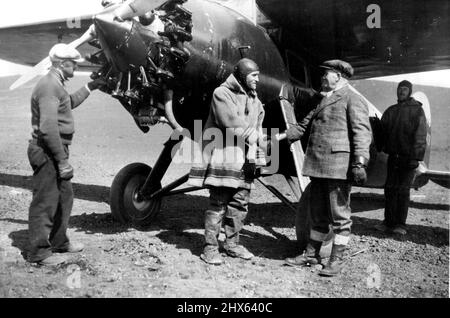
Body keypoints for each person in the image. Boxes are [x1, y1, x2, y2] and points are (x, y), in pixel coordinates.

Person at [279, 60, 372, 277]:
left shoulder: (353, 99)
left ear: (338, 76)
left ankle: (336, 260)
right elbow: (302, 126)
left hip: (339, 168)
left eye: (326, 74)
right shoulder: (323, 99)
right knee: (318, 215)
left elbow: (362, 133)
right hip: (319, 166)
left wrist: (360, 162)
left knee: (340, 217)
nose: (322, 77)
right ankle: (311, 254)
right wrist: (275, 139)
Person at [27, 43, 105, 266]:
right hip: (48, 151)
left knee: (64, 197)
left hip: (54, 150)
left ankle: (59, 241)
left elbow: (67, 103)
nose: (76, 68)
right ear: (63, 64)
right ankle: (39, 253)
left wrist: (91, 86)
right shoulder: (49, 86)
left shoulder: (55, 84)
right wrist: (61, 160)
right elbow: (48, 128)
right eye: (74, 64)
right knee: (45, 202)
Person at [188, 58, 267, 265]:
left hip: (246, 162)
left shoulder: (256, 101)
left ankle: (232, 245)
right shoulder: (221, 94)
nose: (258, 80)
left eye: (258, 75)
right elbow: (230, 122)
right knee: (218, 204)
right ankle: (210, 248)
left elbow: (258, 127)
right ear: (242, 75)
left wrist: (259, 153)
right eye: (254, 75)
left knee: (239, 205)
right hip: (225, 159)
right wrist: (257, 139)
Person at [375, 80, 427, 235]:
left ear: (409, 92)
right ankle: (388, 222)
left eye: (405, 89)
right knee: (390, 189)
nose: (401, 92)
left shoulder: (417, 110)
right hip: (393, 157)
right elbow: (382, 132)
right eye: (399, 89)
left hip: (408, 158)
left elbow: (421, 135)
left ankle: (401, 225)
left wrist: (416, 158)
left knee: (403, 191)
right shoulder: (391, 110)